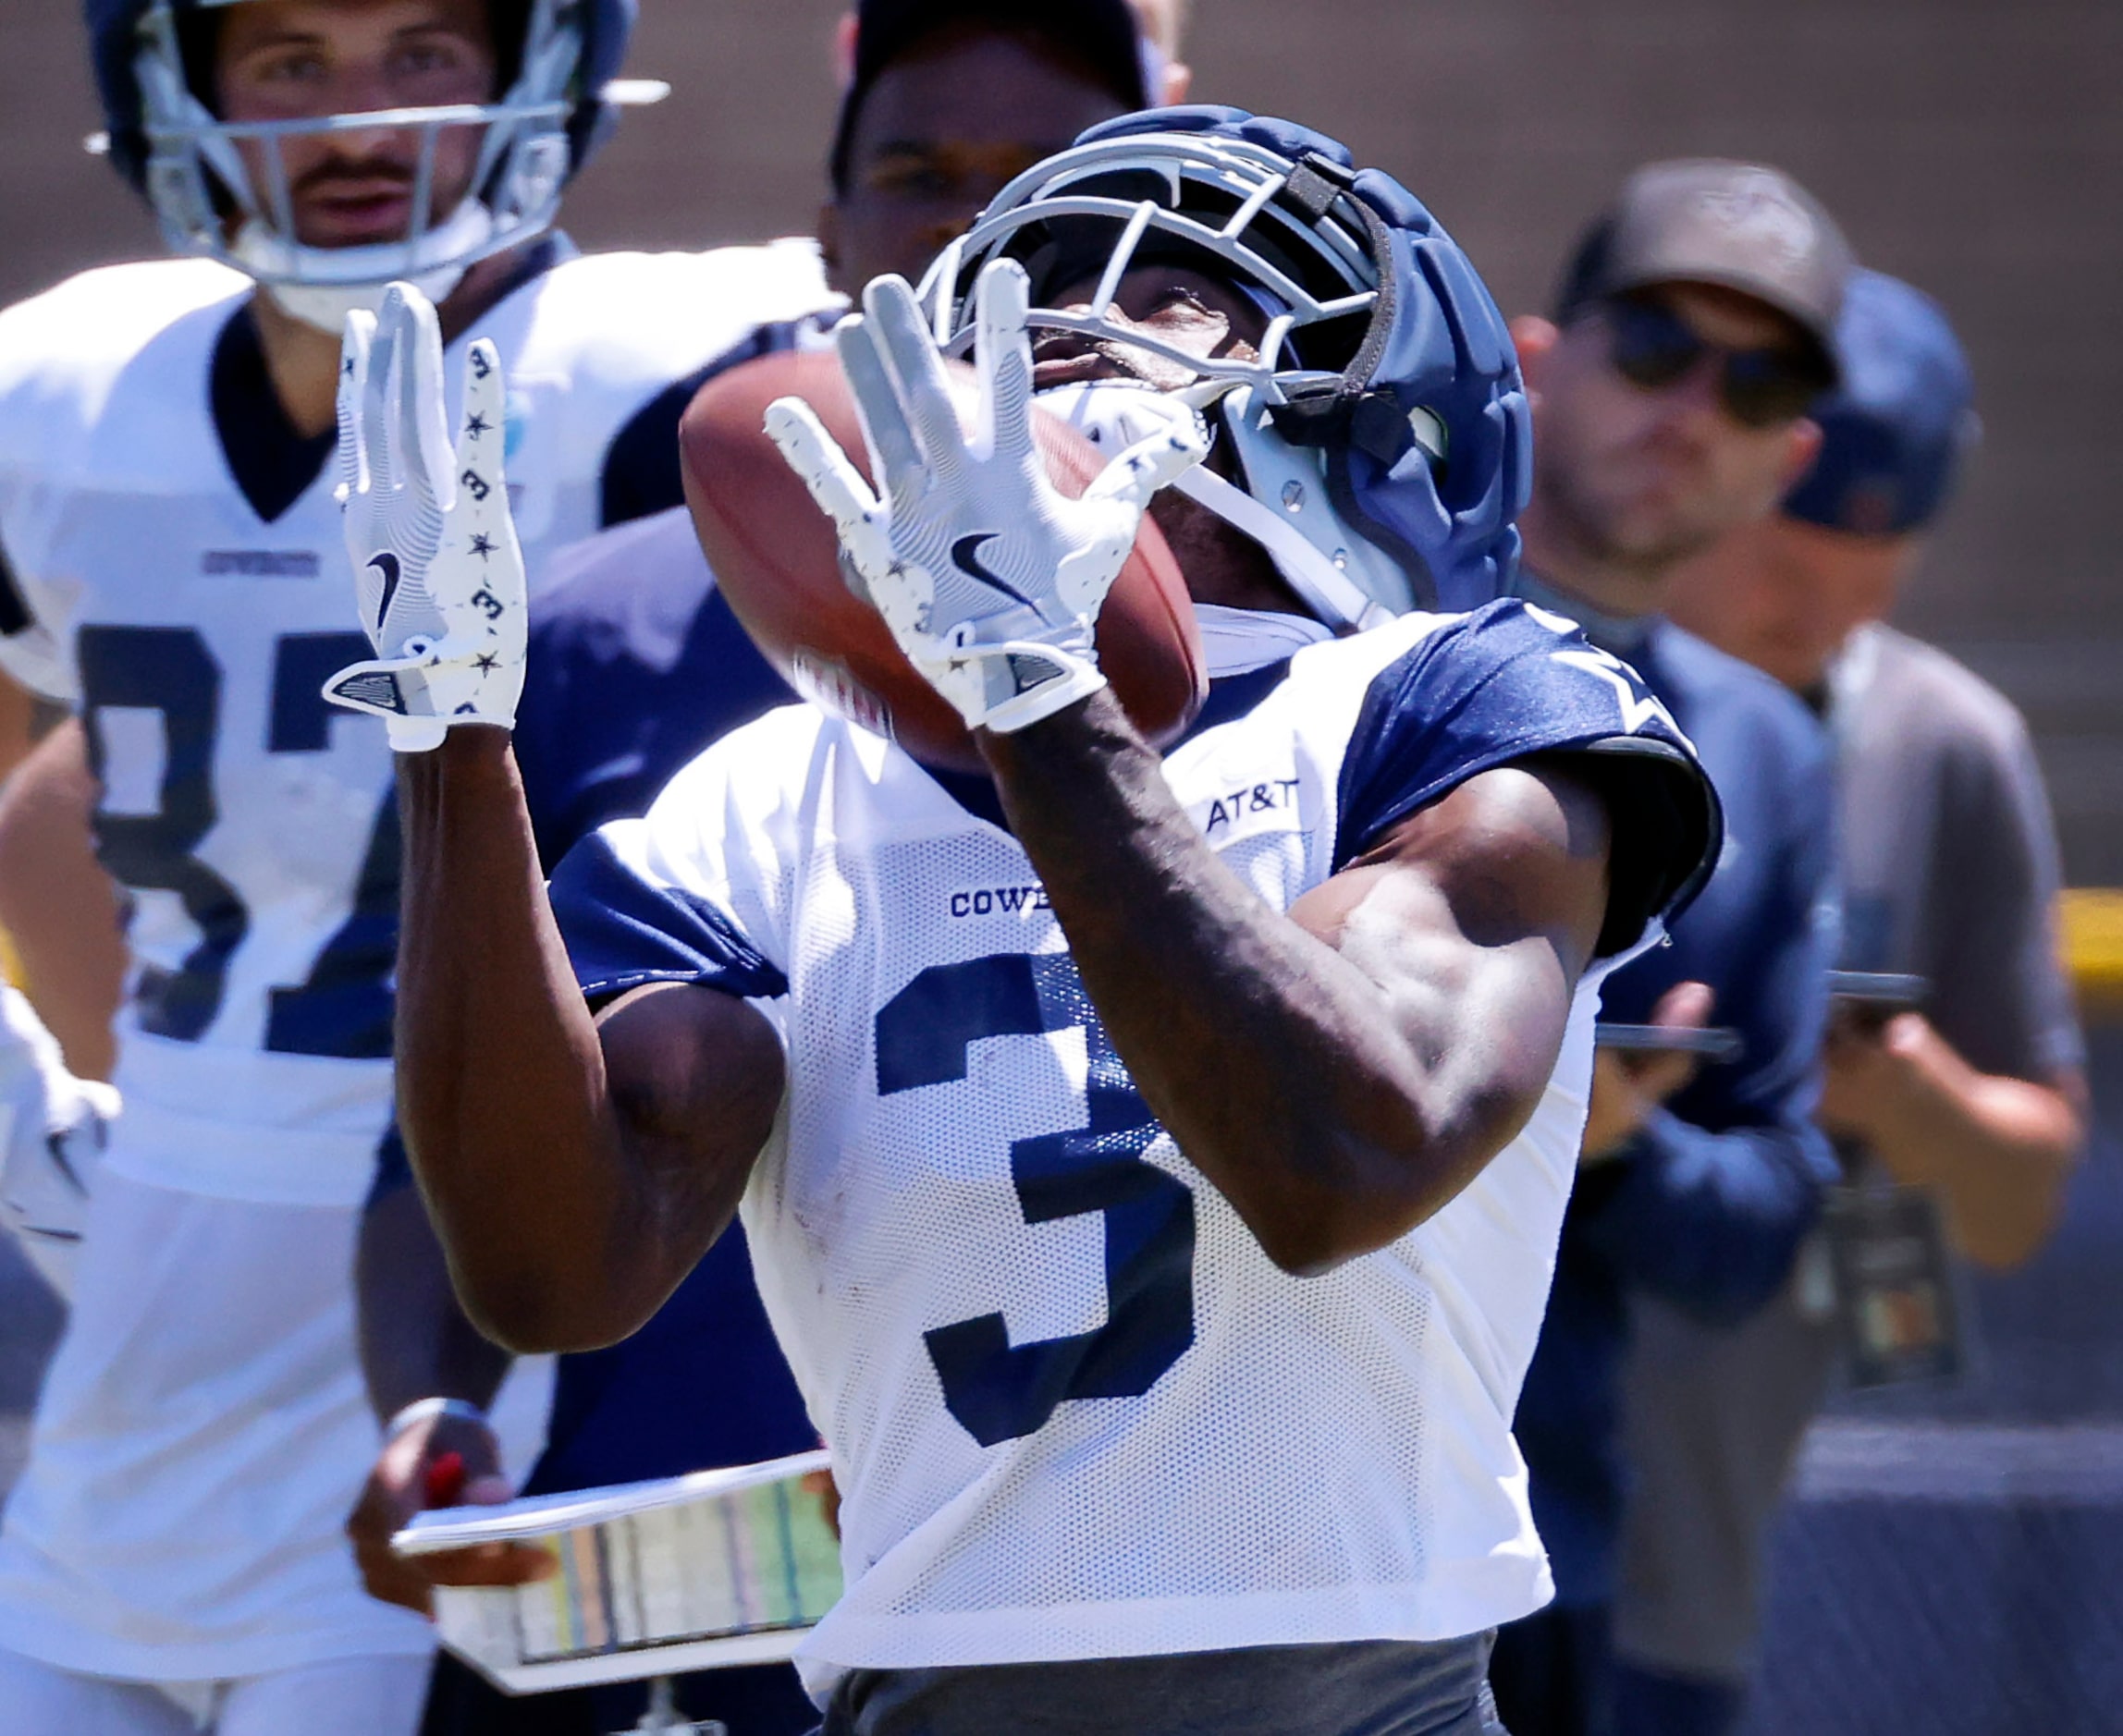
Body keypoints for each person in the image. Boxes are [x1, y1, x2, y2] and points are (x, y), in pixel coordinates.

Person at [337, 106, 1722, 1735]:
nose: (1074, 327)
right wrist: (451, 739)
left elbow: (1347, 1151)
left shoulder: (1450, 707)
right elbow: (553, 1270)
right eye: (1037, 282)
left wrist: (1037, 690)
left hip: (1358, 1698)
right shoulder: (772, 794)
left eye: (1177, 291)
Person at [0, 0, 832, 1728]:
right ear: (176, 86)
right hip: (136, 1381)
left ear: (542, 65)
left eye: (423, 51)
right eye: (289, 61)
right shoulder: (69, 392)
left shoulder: (682, 371)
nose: (359, 125)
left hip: (470, 1368)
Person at [350, 6, 1176, 1730]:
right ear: (825, 230)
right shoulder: (589, 622)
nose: (969, 224)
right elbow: (427, 1131)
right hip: (681, 1568)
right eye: (917, 175)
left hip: (1100, 1592)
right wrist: (434, 1412)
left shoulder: (1252, 613)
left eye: (1034, 182)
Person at [1619, 267, 2090, 1735]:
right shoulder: (1547, 679)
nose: (1803, 599)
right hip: (1448, 1501)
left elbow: (2016, 1204)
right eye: (1788, 543)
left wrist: (1902, 1094)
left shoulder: (1941, 741)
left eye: (1865, 566)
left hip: (1698, 1553)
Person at [1481, 160, 1853, 1736]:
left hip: (1540, 1553)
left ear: (1791, 457)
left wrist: (1614, 1145)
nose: (1694, 405)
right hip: (1246, 1514)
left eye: (1754, 381)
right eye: (1655, 347)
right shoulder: (1364, 642)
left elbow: (1766, 1222)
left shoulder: (1767, 754)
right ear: (1541, 360)